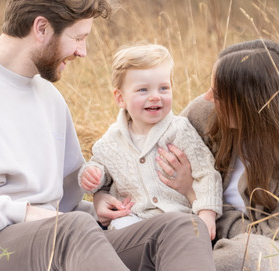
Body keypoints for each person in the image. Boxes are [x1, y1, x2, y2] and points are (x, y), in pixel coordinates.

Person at [0, 0, 216, 270]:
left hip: (62, 234)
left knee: (182, 227)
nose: (83, 51)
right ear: (41, 28)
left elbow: (66, 202)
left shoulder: (49, 98)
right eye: (78, 38)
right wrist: (26, 212)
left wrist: (101, 207)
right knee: (72, 228)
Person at [94, 39, 279, 270]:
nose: (207, 96)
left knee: (250, 255)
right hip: (179, 234)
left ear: (248, 104)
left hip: (236, 248)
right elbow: (135, 156)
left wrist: (195, 194)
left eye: (219, 93)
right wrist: (102, 195)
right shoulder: (204, 114)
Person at [79, 44, 222, 239]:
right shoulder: (111, 141)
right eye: (143, 90)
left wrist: (207, 213)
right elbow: (100, 170)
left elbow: (206, 173)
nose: (155, 96)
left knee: (187, 237)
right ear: (121, 98)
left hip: (177, 218)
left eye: (164, 88)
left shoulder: (180, 130)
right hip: (133, 219)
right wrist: (91, 175)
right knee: (118, 230)